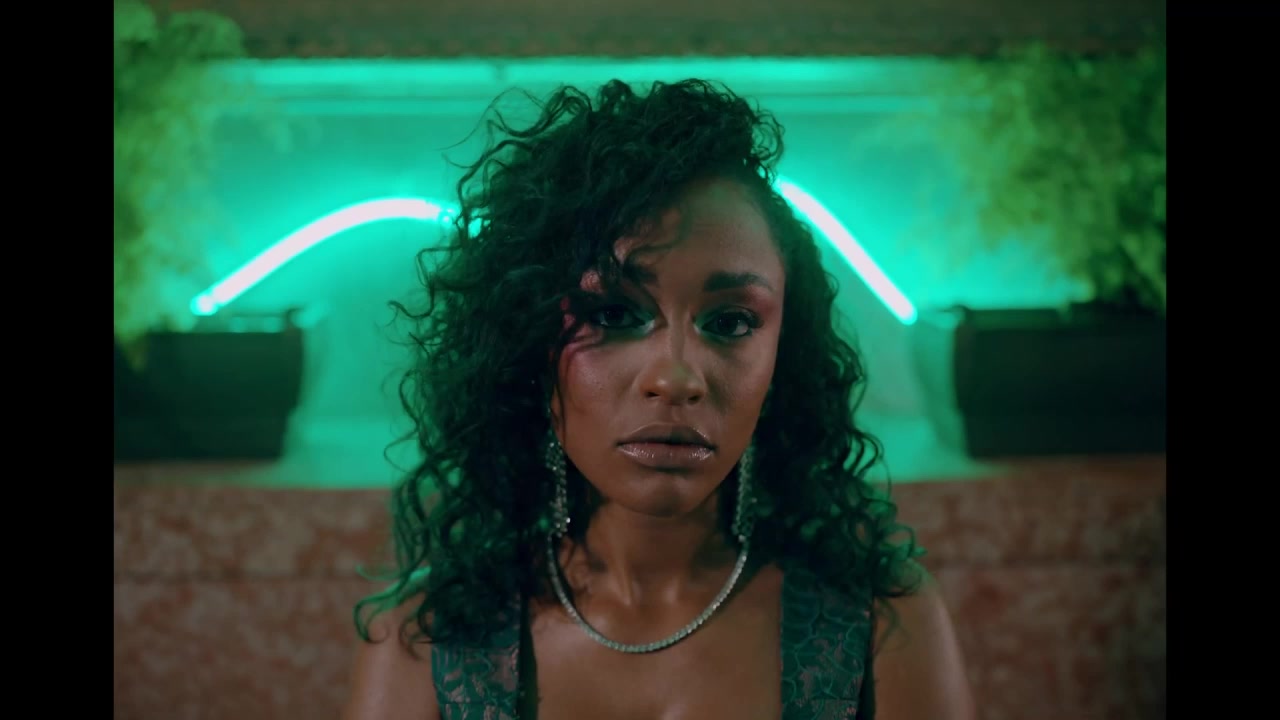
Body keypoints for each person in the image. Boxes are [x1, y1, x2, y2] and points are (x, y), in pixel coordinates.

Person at [342, 78, 974, 720]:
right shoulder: (428, 640)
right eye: (614, 313)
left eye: (731, 322)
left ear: (783, 356)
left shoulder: (879, 624)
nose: (675, 378)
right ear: (527, 341)